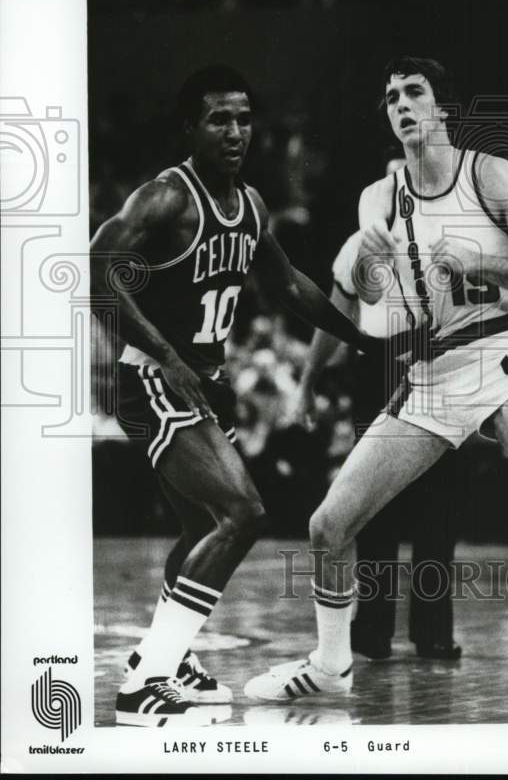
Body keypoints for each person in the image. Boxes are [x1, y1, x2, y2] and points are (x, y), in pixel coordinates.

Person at [246, 56, 508, 722]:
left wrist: (480, 261)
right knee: (327, 526)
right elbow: (352, 294)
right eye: (390, 96)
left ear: (442, 108)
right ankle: (330, 668)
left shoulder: (488, 174)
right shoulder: (375, 201)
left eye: (414, 92)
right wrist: (364, 287)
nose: (400, 103)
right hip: (429, 373)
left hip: (498, 353)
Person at [91, 64, 377, 726]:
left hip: (204, 384)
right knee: (242, 514)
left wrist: (363, 339)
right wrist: (166, 356)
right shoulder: (164, 198)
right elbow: (97, 272)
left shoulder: (248, 204)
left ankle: (169, 659)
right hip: (155, 378)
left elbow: (290, 285)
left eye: (244, 118)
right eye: (219, 118)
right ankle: (143, 684)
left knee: (201, 526)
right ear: (190, 127)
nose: (235, 131)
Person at [290, 175, 462, 662]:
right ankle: (371, 632)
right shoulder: (356, 247)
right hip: (379, 362)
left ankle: (432, 631)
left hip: (439, 358)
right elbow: (335, 316)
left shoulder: (448, 237)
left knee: (440, 500)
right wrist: (307, 382)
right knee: (371, 501)